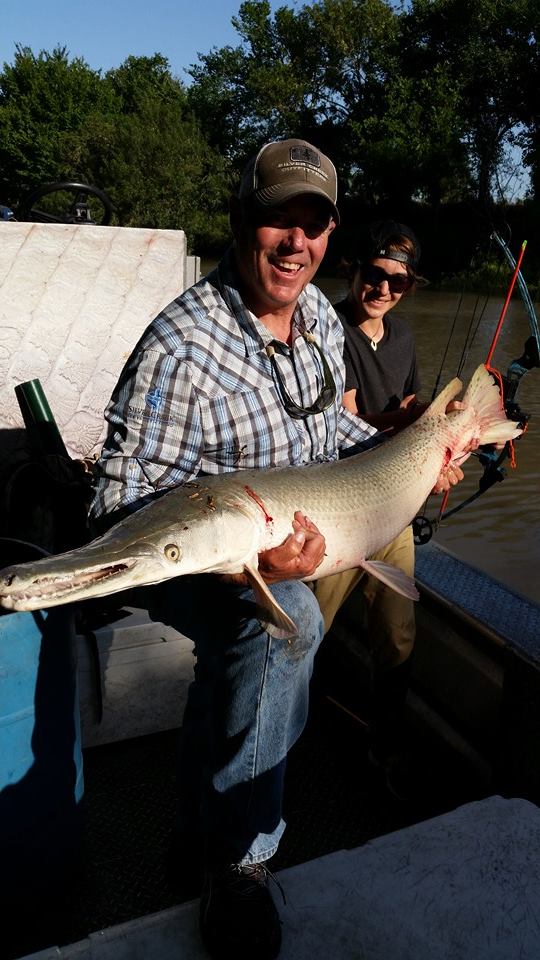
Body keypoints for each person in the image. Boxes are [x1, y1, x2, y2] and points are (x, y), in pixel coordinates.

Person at [89, 142, 461, 960]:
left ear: (330, 235)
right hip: (193, 553)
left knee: (252, 647)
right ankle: (241, 863)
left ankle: (192, 836)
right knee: (282, 623)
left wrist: (421, 454)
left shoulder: (322, 317)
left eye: (313, 224)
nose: (295, 243)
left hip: (291, 535)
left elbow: (340, 433)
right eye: (276, 220)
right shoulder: (179, 345)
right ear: (240, 220)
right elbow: (113, 502)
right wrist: (238, 558)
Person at [313, 220, 461, 795]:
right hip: (335, 506)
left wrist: (443, 439)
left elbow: (404, 403)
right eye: (373, 275)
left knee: (398, 637)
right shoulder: (324, 327)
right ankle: (285, 742)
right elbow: (347, 421)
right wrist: (427, 426)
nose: (382, 290)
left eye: (396, 283)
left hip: (393, 508)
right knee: (305, 632)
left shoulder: (400, 337)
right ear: (351, 270)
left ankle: (385, 743)